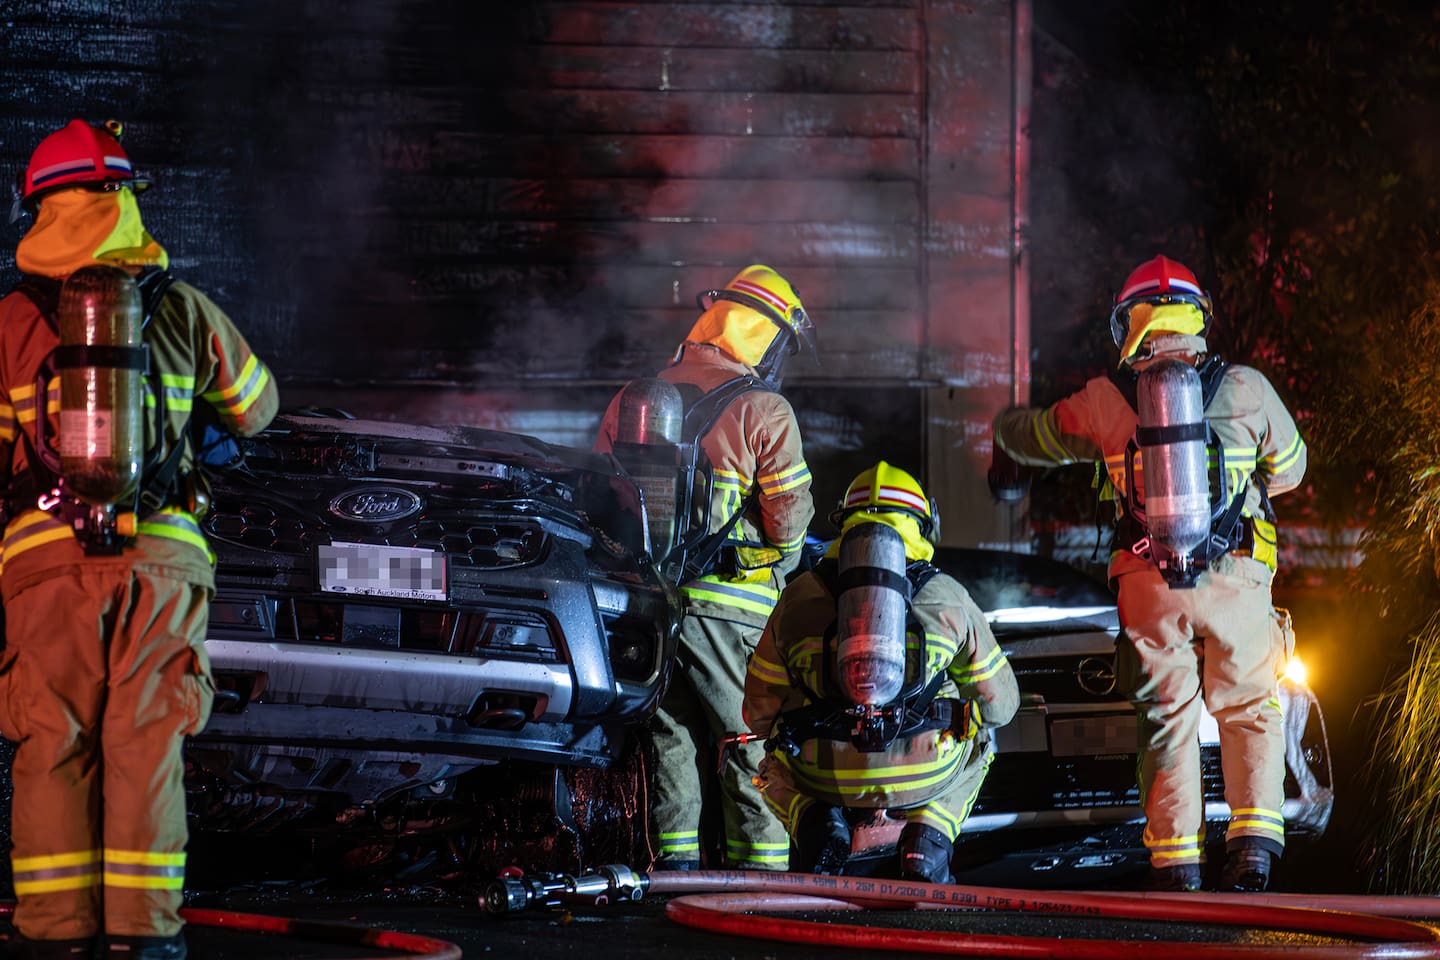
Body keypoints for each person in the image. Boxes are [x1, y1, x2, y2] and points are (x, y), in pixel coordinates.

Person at [0, 119, 279, 959]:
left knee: (53, 740)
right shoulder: (186, 308)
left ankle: (53, 933)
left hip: (42, 562)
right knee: (146, 742)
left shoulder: (11, 321)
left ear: (39, 208)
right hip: (162, 560)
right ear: (124, 202)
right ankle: (143, 938)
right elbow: (257, 410)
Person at [991, 254, 1306, 893]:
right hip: (1237, 578)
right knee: (1248, 709)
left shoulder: (1107, 403)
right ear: (1198, 319)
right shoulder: (1247, 387)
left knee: (1167, 719)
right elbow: (1292, 470)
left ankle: (1177, 867)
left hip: (1147, 585)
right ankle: (1252, 851)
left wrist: (1001, 430)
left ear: (1129, 326)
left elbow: (1035, 437)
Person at [595, 264, 816, 871]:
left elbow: (600, 501)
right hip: (732, 613)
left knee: (670, 742)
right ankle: (761, 884)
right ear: (762, 337)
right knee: (750, 743)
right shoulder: (764, 410)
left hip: (646, 608)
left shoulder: (635, 399)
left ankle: (673, 877)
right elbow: (789, 525)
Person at [741, 461, 1018, 882]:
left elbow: (757, 715)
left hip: (823, 773)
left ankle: (815, 824)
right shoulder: (948, 594)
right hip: (926, 769)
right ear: (922, 523)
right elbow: (1001, 707)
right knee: (980, 741)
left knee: (766, 763)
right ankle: (929, 840)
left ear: (844, 522)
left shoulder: (797, 597)